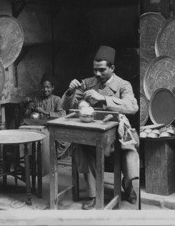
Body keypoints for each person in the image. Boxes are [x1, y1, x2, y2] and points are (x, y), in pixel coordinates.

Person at [61, 45, 140, 210]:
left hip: (117, 137)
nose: (97, 74)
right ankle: (94, 194)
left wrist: (103, 99)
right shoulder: (88, 83)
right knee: (82, 146)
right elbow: (67, 106)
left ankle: (128, 187)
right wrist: (70, 91)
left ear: (112, 68)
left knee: (128, 152)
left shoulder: (123, 85)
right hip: (95, 135)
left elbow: (133, 106)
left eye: (102, 70)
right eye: (95, 70)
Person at [22, 75, 70, 172]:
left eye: (48, 87)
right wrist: (29, 108)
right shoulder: (37, 99)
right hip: (39, 127)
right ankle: (33, 163)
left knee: (48, 139)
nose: (45, 89)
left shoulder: (57, 99)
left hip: (52, 129)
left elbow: (62, 114)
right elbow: (27, 115)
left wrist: (44, 112)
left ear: (52, 88)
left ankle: (44, 166)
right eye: (43, 87)